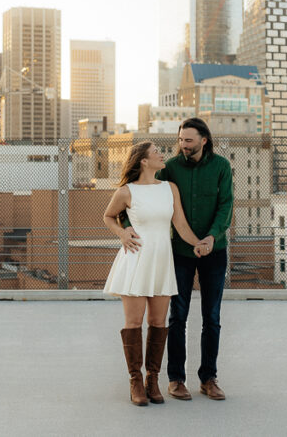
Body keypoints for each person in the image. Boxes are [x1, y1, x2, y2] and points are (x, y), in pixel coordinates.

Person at [102, 140, 208, 407]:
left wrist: (199, 243)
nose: (163, 155)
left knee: (160, 323)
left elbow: (180, 224)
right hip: (136, 260)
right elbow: (108, 216)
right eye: (156, 152)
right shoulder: (126, 192)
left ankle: (152, 380)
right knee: (134, 323)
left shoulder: (169, 188)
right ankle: (135, 381)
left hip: (162, 260)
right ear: (143, 162)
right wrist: (122, 233)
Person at [156, 118, 232, 401]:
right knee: (178, 316)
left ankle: (208, 378)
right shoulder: (170, 169)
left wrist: (212, 237)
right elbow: (149, 196)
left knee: (211, 317)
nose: (183, 145)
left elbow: (226, 204)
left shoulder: (221, 167)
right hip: (180, 253)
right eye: (180, 140)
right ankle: (176, 379)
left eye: (188, 140)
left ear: (204, 140)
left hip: (215, 249)